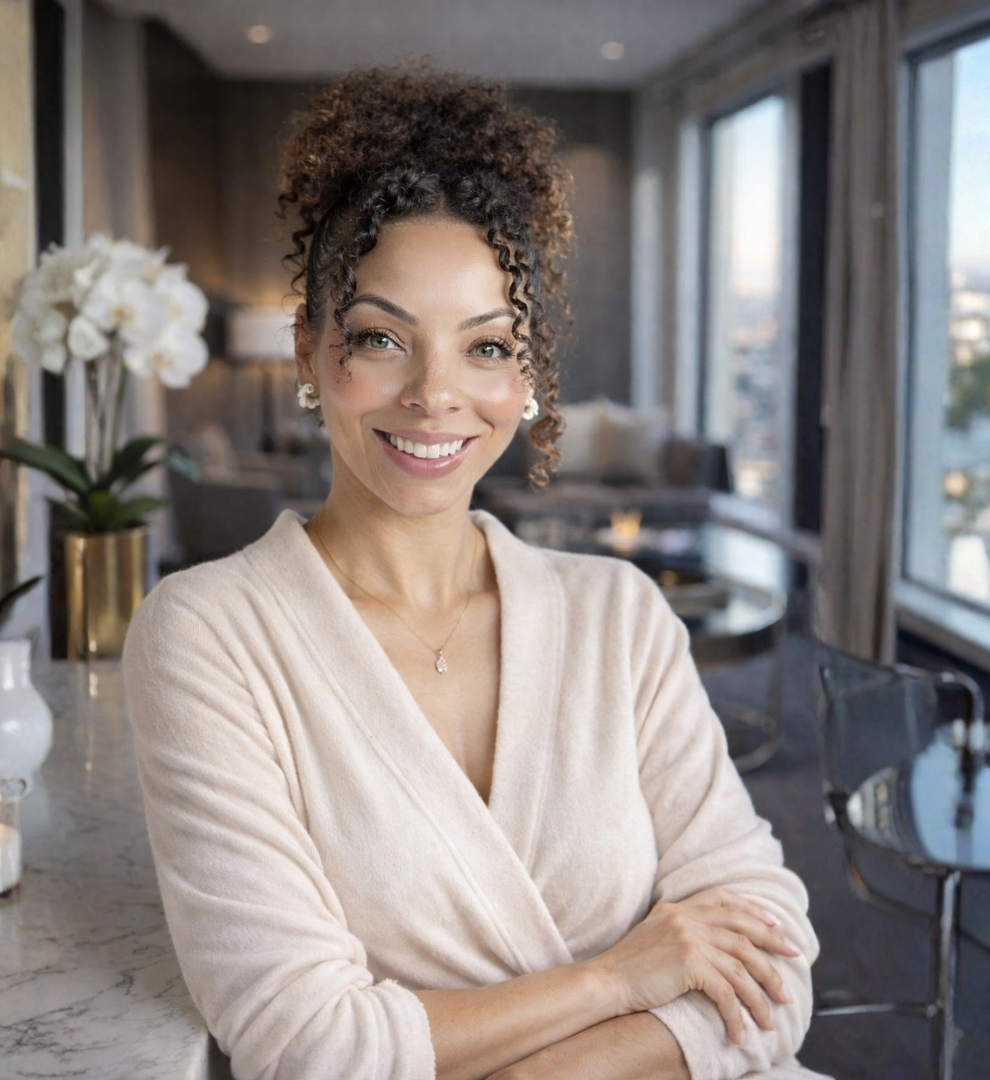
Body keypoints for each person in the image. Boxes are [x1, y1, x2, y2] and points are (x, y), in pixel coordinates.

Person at [121, 62, 829, 1080]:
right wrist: (623, 978)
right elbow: (310, 1043)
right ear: (311, 354)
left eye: (488, 347)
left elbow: (773, 971)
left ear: (528, 375)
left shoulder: (618, 616)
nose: (436, 395)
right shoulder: (210, 635)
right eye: (381, 339)